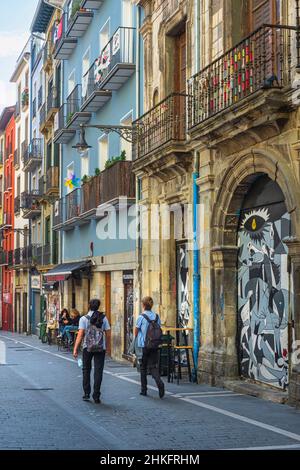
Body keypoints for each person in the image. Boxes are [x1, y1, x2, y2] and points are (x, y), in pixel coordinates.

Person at [73, 299, 110, 404]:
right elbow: (108, 334)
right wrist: (106, 347)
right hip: (100, 347)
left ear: (89, 306)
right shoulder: (104, 318)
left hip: (87, 347)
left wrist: (75, 349)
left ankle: (86, 393)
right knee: (98, 371)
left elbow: (80, 335)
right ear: (98, 306)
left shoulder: (84, 319)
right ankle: (96, 395)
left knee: (86, 369)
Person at [135, 296, 165, 399]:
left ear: (143, 305)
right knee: (153, 366)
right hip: (155, 345)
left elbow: (136, 331)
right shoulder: (156, 316)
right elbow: (159, 328)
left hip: (144, 345)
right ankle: (159, 382)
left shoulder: (141, 317)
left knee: (143, 367)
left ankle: (144, 390)